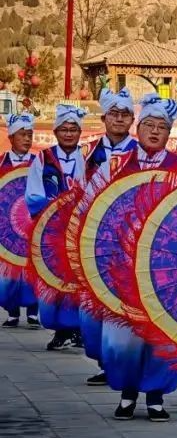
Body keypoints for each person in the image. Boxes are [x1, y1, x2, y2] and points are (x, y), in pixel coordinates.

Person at [96, 95, 177, 422]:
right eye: (149, 124)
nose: (155, 131)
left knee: (161, 330)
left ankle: (157, 396)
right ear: (139, 127)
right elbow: (93, 211)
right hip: (121, 264)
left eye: (162, 127)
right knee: (124, 333)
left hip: (165, 267)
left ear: (169, 133)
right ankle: (126, 392)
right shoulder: (115, 165)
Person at [81, 87, 139, 385]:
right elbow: (79, 192)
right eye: (114, 114)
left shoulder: (140, 154)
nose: (119, 119)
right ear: (104, 118)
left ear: (132, 120)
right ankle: (106, 361)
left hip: (132, 240)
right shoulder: (89, 153)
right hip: (97, 238)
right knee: (96, 303)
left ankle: (122, 366)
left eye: (125, 114)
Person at [26, 104, 87, 351]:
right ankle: (60, 329)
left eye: (74, 129)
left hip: (79, 231)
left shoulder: (88, 156)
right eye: (64, 129)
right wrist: (52, 209)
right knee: (54, 281)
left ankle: (78, 329)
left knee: (80, 281)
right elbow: (33, 195)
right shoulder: (43, 158)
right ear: (56, 131)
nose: (69, 134)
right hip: (51, 232)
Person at [1, 113, 39, 330]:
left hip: (32, 224)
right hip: (7, 228)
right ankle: (12, 312)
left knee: (33, 270)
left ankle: (34, 312)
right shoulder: (1, 163)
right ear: (12, 136)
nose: (27, 139)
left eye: (30, 135)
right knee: (8, 272)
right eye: (23, 135)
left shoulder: (38, 163)